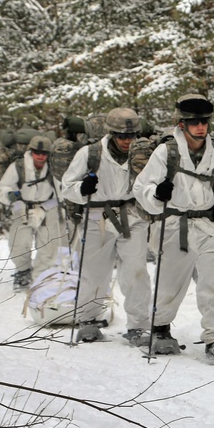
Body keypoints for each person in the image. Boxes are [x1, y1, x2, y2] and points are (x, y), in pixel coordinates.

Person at [132, 94, 214, 362]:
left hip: (208, 226)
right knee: (170, 283)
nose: (200, 126)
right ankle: (160, 328)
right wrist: (157, 193)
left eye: (204, 121)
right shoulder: (166, 152)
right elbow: (141, 188)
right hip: (173, 225)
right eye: (194, 121)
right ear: (182, 123)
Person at [60, 107, 152, 345]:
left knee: (136, 272)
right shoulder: (90, 153)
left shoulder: (143, 154)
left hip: (132, 215)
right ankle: (88, 320)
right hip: (96, 216)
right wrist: (82, 189)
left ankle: (139, 325)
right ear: (111, 134)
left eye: (131, 136)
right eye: (122, 136)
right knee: (94, 272)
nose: (126, 141)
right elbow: (66, 185)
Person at [0, 135, 67, 290]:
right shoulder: (18, 166)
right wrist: (9, 195)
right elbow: (4, 185)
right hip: (23, 206)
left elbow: (62, 191)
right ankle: (23, 271)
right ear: (31, 152)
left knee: (48, 245)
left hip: (48, 206)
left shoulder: (55, 167)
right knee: (18, 243)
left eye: (44, 153)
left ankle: (41, 277)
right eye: (37, 152)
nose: (40, 156)